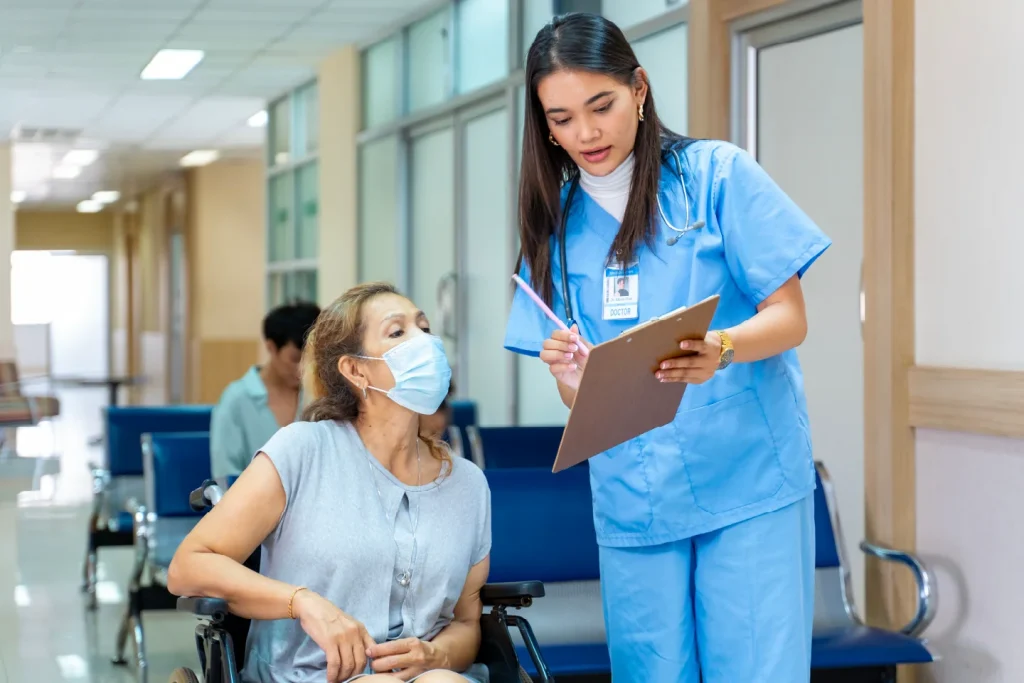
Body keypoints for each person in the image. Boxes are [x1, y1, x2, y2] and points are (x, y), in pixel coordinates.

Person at [505, 13, 831, 683]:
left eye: (602, 105)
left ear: (640, 89)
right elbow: (576, 394)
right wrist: (571, 375)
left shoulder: (716, 178)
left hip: (748, 485)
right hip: (636, 495)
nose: (586, 133)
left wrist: (725, 346)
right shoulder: (555, 228)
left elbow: (790, 317)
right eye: (561, 119)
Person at [168, 282, 491, 683]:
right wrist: (301, 602)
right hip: (306, 674)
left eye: (424, 329)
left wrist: (436, 653)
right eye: (398, 332)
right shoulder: (303, 450)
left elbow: (466, 623)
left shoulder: (468, 484)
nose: (424, 343)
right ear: (355, 370)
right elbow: (188, 567)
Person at [210, 301, 321, 479]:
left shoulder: (317, 395)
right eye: (295, 359)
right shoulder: (237, 399)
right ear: (271, 347)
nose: (303, 369)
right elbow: (226, 475)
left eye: (310, 360)